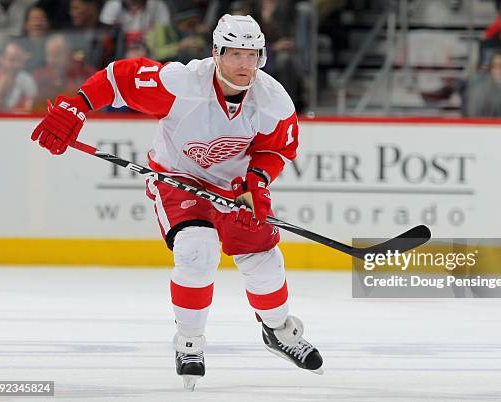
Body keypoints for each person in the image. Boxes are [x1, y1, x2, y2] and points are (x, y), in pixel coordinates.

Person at [29, 14, 323, 390]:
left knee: (264, 261)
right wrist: (79, 104)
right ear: (216, 53)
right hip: (178, 179)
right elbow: (119, 77)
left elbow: (277, 149)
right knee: (196, 251)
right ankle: (189, 342)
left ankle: (279, 331)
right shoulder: (182, 83)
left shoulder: (273, 101)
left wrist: (257, 183)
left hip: (234, 187)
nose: (245, 65)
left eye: (253, 56)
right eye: (236, 55)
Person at [0, 40, 37, 112]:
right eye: (11, 60)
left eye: (19, 60)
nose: (16, 65)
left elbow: (29, 110)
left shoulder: (28, 81)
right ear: (2, 59)